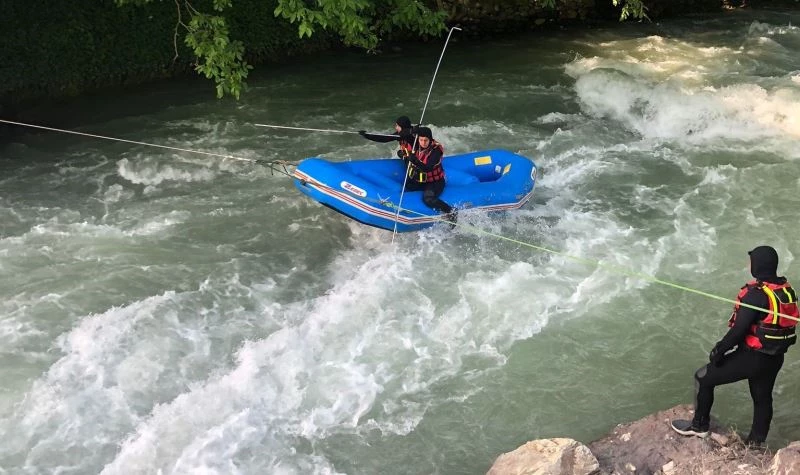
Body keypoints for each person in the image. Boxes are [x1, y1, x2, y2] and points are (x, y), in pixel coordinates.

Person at [671, 245, 798, 446]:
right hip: (774, 358)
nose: (748, 265)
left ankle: (698, 427)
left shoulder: (756, 294)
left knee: (703, 377)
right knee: (762, 399)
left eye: (751, 261)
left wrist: (719, 351)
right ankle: (755, 444)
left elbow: (739, 330)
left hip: (753, 357)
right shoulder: (785, 290)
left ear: (758, 265)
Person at [400, 126, 456, 225]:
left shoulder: (436, 150)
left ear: (430, 140)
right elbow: (402, 134)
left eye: (426, 140)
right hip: (422, 180)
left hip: (435, 182)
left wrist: (414, 160)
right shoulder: (417, 143)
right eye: (421, 140)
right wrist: (412, 131)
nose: (423, 143)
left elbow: (427, 167)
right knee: (408, 185)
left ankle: (451, 211)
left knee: (428, 199)